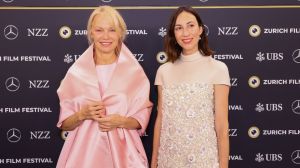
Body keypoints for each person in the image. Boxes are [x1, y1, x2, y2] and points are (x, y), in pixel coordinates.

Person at [56, 6, 152, 168]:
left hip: (124, 156)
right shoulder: (76, 73)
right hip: (83, 157)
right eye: (99, 30)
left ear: (120, 33)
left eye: (112, 30)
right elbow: (65, 124)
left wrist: (121, 121)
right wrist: (82, 114)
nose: (105, 36)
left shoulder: (134, 73)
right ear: (91, 33)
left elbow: (140, 120)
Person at [151, 6, 230, 168]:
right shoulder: (164, 71)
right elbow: (160, 121)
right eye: (179, 28)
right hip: (169, 160)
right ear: (174, 34)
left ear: (201, 30)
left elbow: (222, 125)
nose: (185, 33)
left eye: (190, 26)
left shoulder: (218, 68)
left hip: (204, 160)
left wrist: (223, 165)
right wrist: (154, 163)